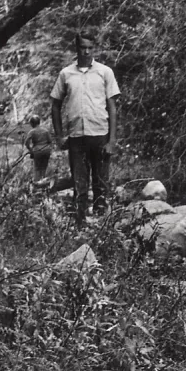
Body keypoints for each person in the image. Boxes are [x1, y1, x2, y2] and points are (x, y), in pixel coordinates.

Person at [50, 32, 119, 226]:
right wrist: (59, 136)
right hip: (77, 138)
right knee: (79, 184)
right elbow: (55, 104)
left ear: (94, 48)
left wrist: (112, 141)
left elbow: (112, 106)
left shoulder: (105, 72)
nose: (86, 51)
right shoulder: (66, 74)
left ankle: (101, 226)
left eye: (90, 47)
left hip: (100, 135)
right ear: (77, 48)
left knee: (101, 184)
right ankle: (79, 227)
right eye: (83, 47)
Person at [23, 115, 54, 182]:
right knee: (44, 168)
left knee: (37, 168)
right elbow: (50, 141)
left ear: (32, 123)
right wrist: (49, 149)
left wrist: (31, 150)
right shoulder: (45, 131)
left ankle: (37, 183)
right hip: (46, 150)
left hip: (37, 151)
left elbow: (26, 143)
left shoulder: (32, 132)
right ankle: (44, 182)